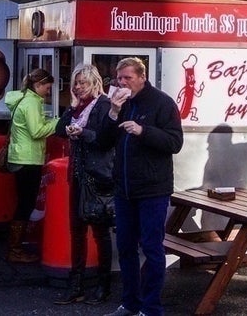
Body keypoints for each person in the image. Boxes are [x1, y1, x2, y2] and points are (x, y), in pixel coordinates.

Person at [98, 57, 183, 316]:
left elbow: (174, 142)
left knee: (152, 248)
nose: (122, 83)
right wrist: (112, 113)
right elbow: (103, 142)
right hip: (124, 189)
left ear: (142, 77)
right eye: (119, 78)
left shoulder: (162, 103)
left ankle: (151, 308)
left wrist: (143, 131)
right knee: (125, 248)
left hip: (152, 189)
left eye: (128, 78)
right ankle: (130, 303)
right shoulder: (120, 103)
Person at [53, 64, 114, 306]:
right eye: (76, 83)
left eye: (83, 83)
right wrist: (71, 111)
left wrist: (82, 133)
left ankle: (103, 286)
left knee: (100, 233)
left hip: (98, 178)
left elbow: (107, 140)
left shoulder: (104, 105)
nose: (78, 87)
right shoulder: (77, 107)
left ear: (95, 83)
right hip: (78, 177)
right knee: (76, 232)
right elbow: (59, 130)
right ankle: (76, 285)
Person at [3, 68, 58, 263]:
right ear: (38, 85)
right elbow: (37, 131)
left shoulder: (20, 98)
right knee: (26, 205)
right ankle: (15, 249)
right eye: (47, 87)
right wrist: (58, 122)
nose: (48, 92)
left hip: (18, 157)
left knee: (23, 204)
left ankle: (15, 247)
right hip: (29, 159)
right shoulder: (32, 102)